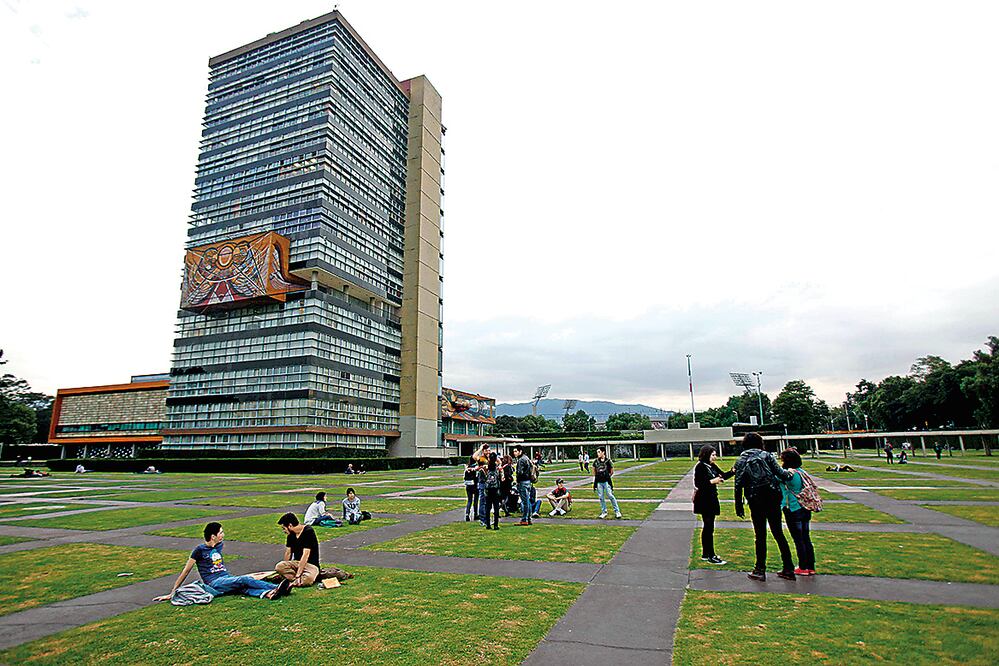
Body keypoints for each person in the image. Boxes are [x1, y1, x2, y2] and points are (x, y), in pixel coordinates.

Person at [164, 522, 290, 600]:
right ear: (213, 536)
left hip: (226, 577)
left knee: (242, 587)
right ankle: (277, 588)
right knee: (244, 580)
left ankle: (269, 594)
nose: (223, 535)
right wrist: (173, 592)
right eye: (221, 532)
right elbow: (186, 571)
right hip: (215, 582)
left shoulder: (219, 545)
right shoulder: (199, 550)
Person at [734, 432, 796, 581]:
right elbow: (780, 473)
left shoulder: (741, 460)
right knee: (778, 532)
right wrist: (790, 473)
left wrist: (739, 505)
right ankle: (788, 568)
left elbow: (738, 484)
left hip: (755, 499)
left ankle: (760, 569)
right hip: (772, 497)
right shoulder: (767, 455)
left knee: (760, 535)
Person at [693, 445, 733, 565]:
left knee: (709, 527)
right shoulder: (700, 466)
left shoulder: (712, 466)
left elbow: (723, 475)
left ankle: (706, 553)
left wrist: (732, 472)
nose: (715, 457)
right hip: (704, 500)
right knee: (708, 527)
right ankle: (711, 555)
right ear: (706, 455)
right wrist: (712, 481)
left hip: (711, 498)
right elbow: (699, 484)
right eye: (713, 455)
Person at [779, 449, 816, 576]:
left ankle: (803, 566)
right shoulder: (801, 472)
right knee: (806, 537)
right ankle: (810, 566)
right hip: (805, 507)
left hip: (793, 508)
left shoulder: (789, 474)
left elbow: (775, 476)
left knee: (798, 539)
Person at [276, 513, 321, 587]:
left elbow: (305, 555)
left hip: (310, 565)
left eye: (284, 528)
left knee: (308, 579)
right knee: (279, 566)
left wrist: (298, 574)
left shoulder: (308, 531)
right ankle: (296, 581)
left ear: (290, 526)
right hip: (296, 562)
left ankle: (296, 579)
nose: (284, 531)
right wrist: (286, 566)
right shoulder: (291, 535)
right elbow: (288, 553)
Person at [593, 447, 622, 519]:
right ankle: (604, 512)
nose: (598, 454)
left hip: (606, 482)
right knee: (601, 497)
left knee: (610, 495)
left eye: (599, 452)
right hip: (599, 482)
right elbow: (594, 470)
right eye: (597, 452)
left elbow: (611, 471)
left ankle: (617, 511)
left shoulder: (608, 461)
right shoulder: (596, 461)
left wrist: (607, 476)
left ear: (603, 452)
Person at [514, 444, 533, 526]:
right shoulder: (526, 458)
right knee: (527, 501)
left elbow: (520, 472)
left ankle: (525, 519)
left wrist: (517, 481)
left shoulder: (521, 460)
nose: (514, 453)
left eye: (516, 451)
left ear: (520, 451)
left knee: (525, 501)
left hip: (523, 482)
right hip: (528, 481)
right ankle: (528, 518)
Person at [482, 452, 502, 530]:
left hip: (488, 489)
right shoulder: (497, 467)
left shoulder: (486, 467)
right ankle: (496, 524)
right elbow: (500, 476)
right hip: (496, 489)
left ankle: (488, 524)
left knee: (488, 507)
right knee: (496, 507)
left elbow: (484, 477)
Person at [463, 457, 479, 522]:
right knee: (475, 500)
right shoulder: (475, 467)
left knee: (469, 500)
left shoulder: (467, 467)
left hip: (468, 485)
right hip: (475, 485)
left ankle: (467, 514)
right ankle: (475, 514)